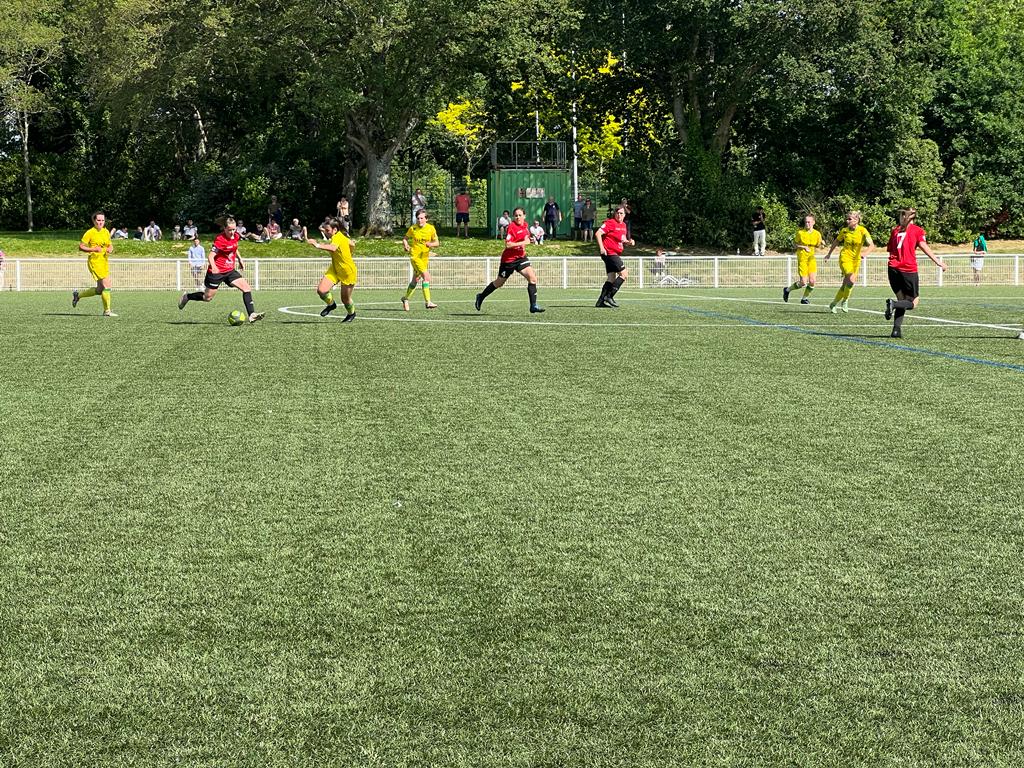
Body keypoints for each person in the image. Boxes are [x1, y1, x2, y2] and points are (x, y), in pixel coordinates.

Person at [177, 216, 265, 323]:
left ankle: (252, 314)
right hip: (216, 272)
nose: (232, 232)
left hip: (229, 270)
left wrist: (240, 259)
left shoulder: (236, 236)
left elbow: (234, 248)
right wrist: (214, 267)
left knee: (246, 288)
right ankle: (187, 297)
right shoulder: (220, 239)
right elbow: (210, 256)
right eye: (230, 230)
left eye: (234, 229)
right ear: (224, 229)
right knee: (207, 297)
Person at [883, 208, 946, 338]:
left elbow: (890, 249)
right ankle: (893, 304)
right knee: (913, 302)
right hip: (908, 269)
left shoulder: (895, 231)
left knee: (902, 299)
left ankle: (896, 331)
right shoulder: (917, 230)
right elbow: (924, 246)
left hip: (892, 268)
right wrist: (938, 262)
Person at [474, 207, 544, 314]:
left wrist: (531, 240)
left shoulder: (525, 227)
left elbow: (525, 240)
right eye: (516, 215)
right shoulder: (512, 227)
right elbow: (508, 244)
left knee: (533, 279)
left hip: (520, 258)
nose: (518, 217)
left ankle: (533, 305)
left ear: (524, 216)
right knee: (499, 283)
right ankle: (481, 296)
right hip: (508, 260)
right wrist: (523, 243)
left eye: (520, 215)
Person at [823, 210, 874, 313]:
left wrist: (865, 253)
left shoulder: (862, 230)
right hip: (845, 258)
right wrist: (829, 254)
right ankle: (845, 301)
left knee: (847, 283)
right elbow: (836, 241)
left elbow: (871, 245)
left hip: (856, 260)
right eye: (847, 219)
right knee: (851, 279)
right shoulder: (844, 231)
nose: (847, 221)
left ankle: (834, 303)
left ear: (856, 220)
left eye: (849, 219)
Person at [307, 218, 357, 322]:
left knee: (345, 299)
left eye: (327, 230)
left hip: (347, 271)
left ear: (335, 230)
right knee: (321, 290)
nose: (326, 232)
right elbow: (352, 244)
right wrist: (349, 251)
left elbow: (333, 248)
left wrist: (317, 245)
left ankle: (351, 314)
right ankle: (331, 305)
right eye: (325, 230)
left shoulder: (337, 237)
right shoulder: (340, 236)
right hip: (335, 268)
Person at [72, 212, 116, 317]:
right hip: (95, 262)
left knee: (100, 290)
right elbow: (81, 246)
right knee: (107, 285)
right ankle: (107, 311)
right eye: (98, 220)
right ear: (94, 221)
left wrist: (110, 249)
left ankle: (78, 296)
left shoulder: (106, 232)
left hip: (104, 261)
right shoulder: (90, 232)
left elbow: (110, 245)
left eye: (102, 220)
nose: (101, 222)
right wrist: (93, 249)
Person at [595, 205, 635, 308]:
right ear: (614, 214)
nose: (619, 215)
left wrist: (629, 242)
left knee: (611, 278)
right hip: (609, 253)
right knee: (624, 274)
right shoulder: (610, 223)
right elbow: (598, 233)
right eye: (617, 213)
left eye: (621, 213)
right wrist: (601, 248)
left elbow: (622, 240)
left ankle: (600, 301)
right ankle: (609, 296)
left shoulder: (623, 225)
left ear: (624, 215)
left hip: (613, 253)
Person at [401, 208, 440, 310]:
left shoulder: (431, 228)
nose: (419, 220)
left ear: (426, 219)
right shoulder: (413, 228)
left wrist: (430, 244)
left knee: (416, 279)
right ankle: (428, 302)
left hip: (424, 258)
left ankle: (405, 299)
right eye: (418, 218)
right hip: (415, 257)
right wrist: (406, 245)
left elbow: (437, 243)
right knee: (427, 277)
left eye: (422, 218)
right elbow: (405, 239)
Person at [782, 214, 823, 305]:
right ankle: (787, 290)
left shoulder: (817, 234)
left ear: (813, 222)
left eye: (809, 222)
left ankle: (804, 298)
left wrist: (822, 244)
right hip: (802, 259)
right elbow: (795, 244)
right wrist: (803, 247)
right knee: (803, 282)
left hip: (811, 259)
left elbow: (818, 245)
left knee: (812, 281)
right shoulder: (800, 233)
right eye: (806, 222)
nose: (807, 224)